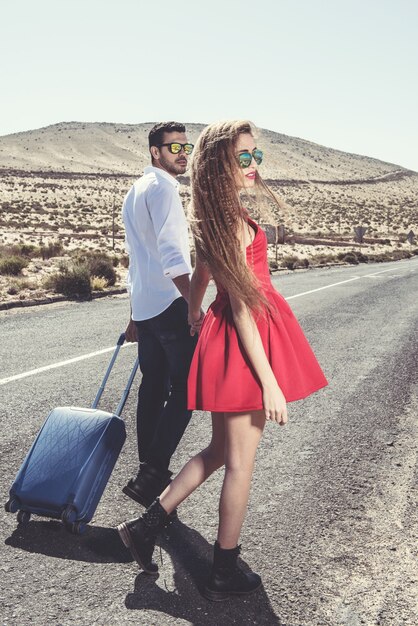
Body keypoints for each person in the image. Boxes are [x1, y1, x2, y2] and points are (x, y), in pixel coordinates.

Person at [117, 120, 328, 601]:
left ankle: (145, 527)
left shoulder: (218, 212)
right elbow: (238, 305)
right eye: (244, 156)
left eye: (257, 156)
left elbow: (204, 270)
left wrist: (193, 309)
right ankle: (222, 571)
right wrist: (269, 380)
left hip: (231, 336)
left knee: (217, 453)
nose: (253, 165)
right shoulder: (230, 221)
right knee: (239, 465)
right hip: (242, 341)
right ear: (220, 163)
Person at [121, 121, 201, 510]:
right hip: (170, 305)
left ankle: (145, 476)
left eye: (186, 147)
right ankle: (152, 474)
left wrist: (134, 313)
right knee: (186, 391)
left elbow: (136, 260)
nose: (182, 154)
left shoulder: (135, 190)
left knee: (153, 388)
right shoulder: (166, 189)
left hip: (146, 306)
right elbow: (171, 255)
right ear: (156, 151)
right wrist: (194, 303)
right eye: (174, 148)